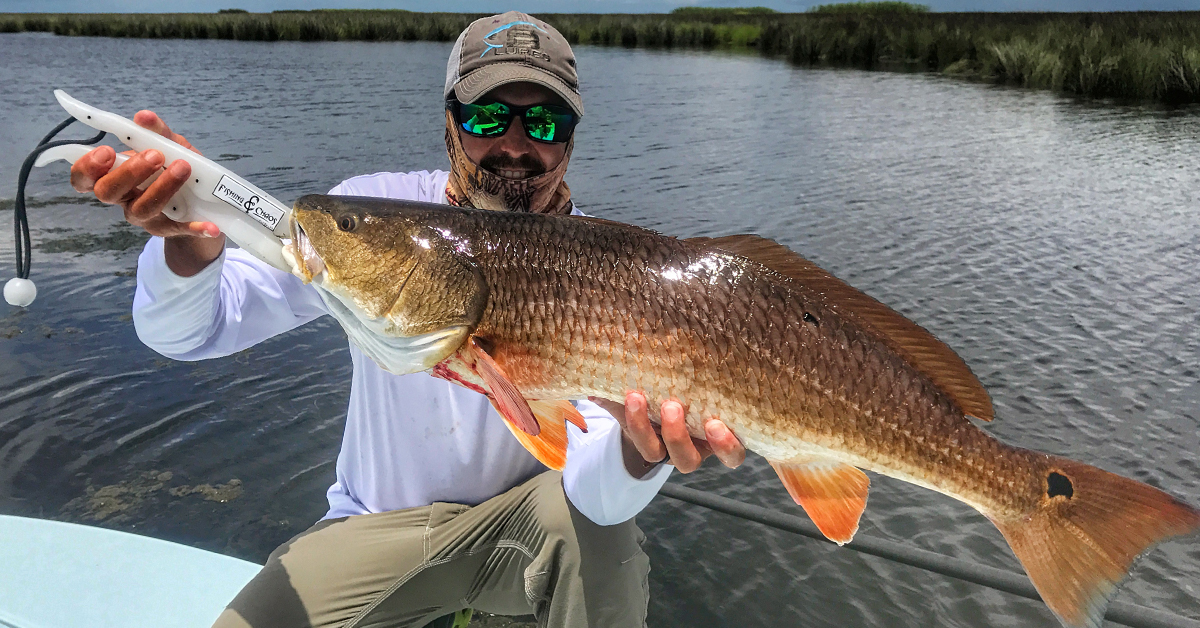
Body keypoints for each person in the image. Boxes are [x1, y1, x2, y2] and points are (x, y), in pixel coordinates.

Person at [68, 12, 745, 628]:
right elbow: (190, 331)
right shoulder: (373, 212)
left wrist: (640, 449)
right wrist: (192, 241)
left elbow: (597, 497)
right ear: (451, 120)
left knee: (598, 538)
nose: (514, 144)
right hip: (378, 527)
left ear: (569, 140)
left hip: (531, 531)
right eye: (487, 117)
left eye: (544, 123)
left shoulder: (614, 274)